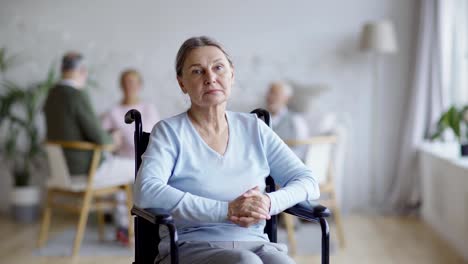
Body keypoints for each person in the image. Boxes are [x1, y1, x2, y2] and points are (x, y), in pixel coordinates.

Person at [134, 36, 320, 264]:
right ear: (182, 83)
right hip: (190, 247)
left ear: (231, 74)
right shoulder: (169, 132)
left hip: (257, 243)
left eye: (218, 67)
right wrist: (226, 210)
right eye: (196, 71)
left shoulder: (254, 128)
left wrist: (269, 203)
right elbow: (146, 191)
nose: (210, 78)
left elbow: (308, 181)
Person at [43, 52, 134, 244]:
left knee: (119, 174)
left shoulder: (52, 94)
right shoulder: (76, 95)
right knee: (137, 168)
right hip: (86, 170)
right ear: (82, 71)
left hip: (62, 172)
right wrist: (114, 139)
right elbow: (100, 138)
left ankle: (122, 226)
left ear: (62, 70)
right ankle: (137, 229)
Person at [102, 69, 160, 158]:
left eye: (132, 83)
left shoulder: (149, 108)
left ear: (139, 85)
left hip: (149, 158)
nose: (128, 86)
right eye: (125, 83)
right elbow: (103, 138)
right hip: (123, 160)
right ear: (121, 85)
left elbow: (157, 134)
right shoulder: (113, 111)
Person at [266, 81, 309, 160]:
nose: (270, 97)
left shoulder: (295, 120)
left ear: (286, 98)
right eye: (270, 93)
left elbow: (302, 149)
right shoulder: (259, 119)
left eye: (275, 94)